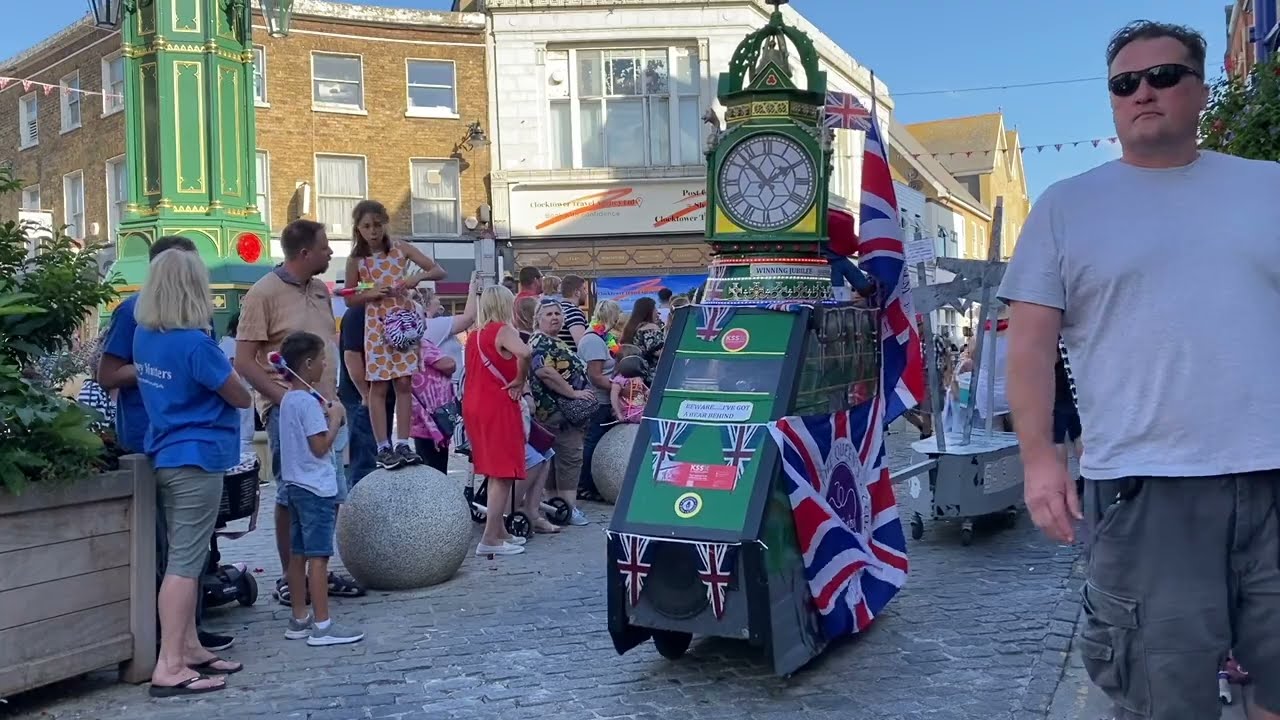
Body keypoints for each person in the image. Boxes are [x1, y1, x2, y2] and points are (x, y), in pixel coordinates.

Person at [1000, 20, 1280, 720]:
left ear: (1200, 88)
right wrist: (1039, 461)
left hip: (1275, 473)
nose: (1142, 92)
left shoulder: (1268, 188)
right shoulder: (1069, 207)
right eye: (1125, 84)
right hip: (1147, 488)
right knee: (1162, 694)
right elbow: (1029, 344)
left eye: (1163, 76)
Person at [96, 235, 233, 654]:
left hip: (190, 442)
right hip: (148, 437)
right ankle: (165, 644)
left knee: (194, 548)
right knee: (165, 550)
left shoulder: (192, 319)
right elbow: (107, 374)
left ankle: (189, 634)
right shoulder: (131, 313)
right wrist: (164, 370)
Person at [132, 249, 252, 696]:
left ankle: (190, 646)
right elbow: (238, 394)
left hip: (166, 451)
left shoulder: (146, 336)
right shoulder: (195, 343)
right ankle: (170, 665)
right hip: (198, 455)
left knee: (190, 556)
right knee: (185, 563)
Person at [234, 219, 362, 606]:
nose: (329, 253)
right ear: (305, 253)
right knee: (292, 496)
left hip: (327, 408)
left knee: (327, 493)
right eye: (324, 248)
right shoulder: (263, 293)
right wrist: (284, 399)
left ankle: (318, 570)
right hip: (287, 413)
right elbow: (244, 359)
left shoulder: (321, 290)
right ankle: (293, 578)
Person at [343, 200, 447, 471]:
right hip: (376, 326)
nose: (373, 231)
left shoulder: (400, 249)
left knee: (403, 382)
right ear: (358, 229)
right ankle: (383, 446)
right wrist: (371, 294)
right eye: (366, 226)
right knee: (379, 385)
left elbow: (438, 270)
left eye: (377, 225)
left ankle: (402, 442)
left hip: (401, 323)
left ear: (385, 224)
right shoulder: (356, 260)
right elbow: (349, 298)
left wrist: (414, 280)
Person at [276, 331, 364, 647]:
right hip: (316, 488)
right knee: (318, 557)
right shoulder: (308, 404)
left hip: (296, 485)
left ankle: (299, 618)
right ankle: (323, 625)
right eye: (323, 360)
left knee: (298, 554)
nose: (326, 365)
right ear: (308, 364)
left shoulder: (287, 399)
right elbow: (319, 446)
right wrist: (337, 420)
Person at [462, 285, 532, 556]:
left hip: (475, 404)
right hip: (498, 403)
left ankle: (500, 530)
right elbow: (525, 353)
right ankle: (490, 537)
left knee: (493, 469)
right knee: (503, 472)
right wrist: (520, 379)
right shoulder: (504, 330)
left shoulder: (474, 335)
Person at [337, 302, 396, 487]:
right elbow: (351, 356)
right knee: (365, 459)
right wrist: (365, 394)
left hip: (382, 393)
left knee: (379, 455)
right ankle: (360, 506)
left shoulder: (387, 310)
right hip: (361, 397)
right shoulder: (358, 312)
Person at [577, 300, 622, 503]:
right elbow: (595, 376)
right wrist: (620, 388)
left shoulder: (604, 337)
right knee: (593, 443)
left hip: (603, 399)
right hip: (598, 401)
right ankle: (585, 484)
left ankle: (590, 483)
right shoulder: (594, 341)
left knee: (595, 442)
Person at [824, 207, 876, 302]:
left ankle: (839, 299)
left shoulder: (831, 257)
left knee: (838, 288)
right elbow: (860, 282)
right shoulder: (842, 261)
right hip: (839, 262)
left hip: (834, 294)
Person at [611, 352, 649, 424]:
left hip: (641, 408)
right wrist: (618, 414)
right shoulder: (619, 381)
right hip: (628, 411)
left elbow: (646, 390)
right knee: (645, 418)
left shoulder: (637, 378)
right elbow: (614, 398)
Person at [557, 274, 590, 345]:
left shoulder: (558, 310)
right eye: (584, 289)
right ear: (577, 292)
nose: (586, 293)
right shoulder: (574, 312)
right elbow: (582, 344)